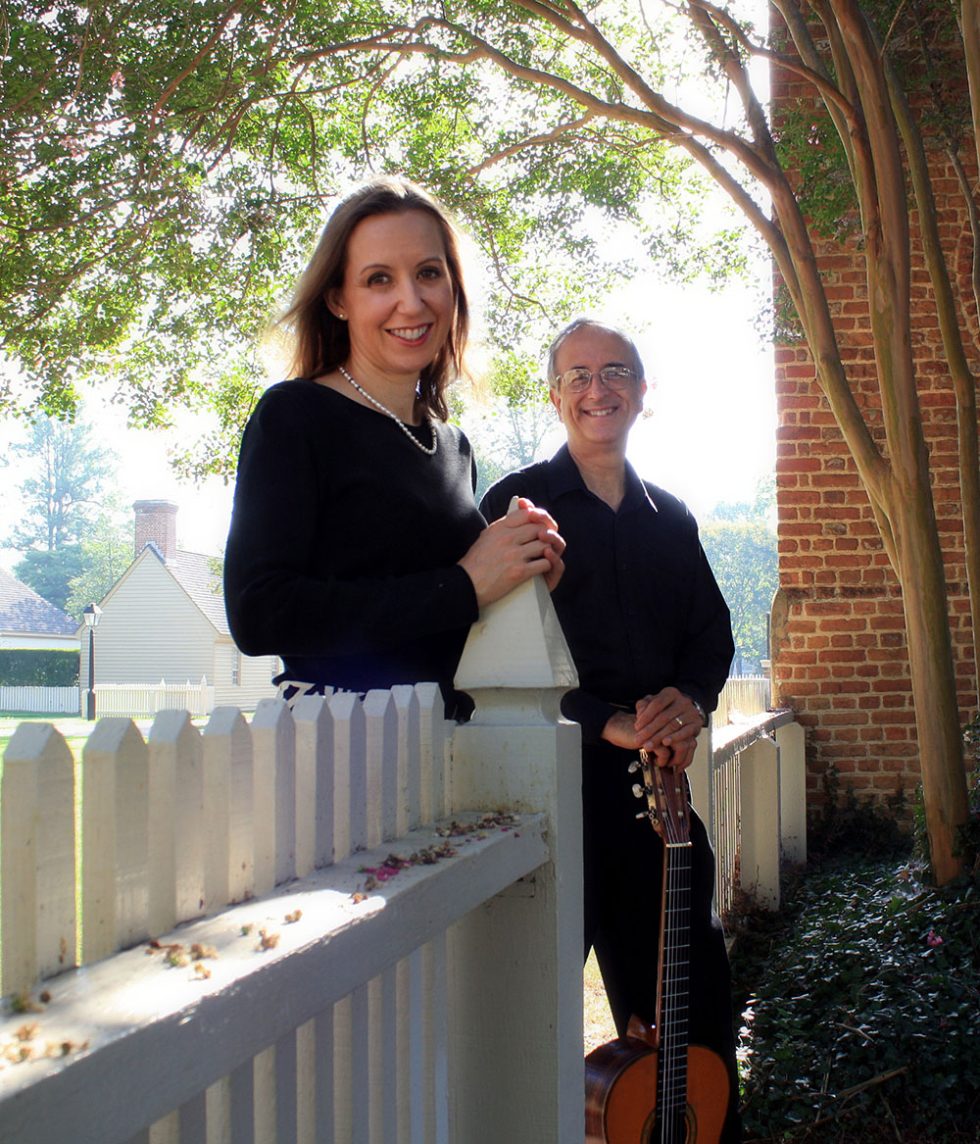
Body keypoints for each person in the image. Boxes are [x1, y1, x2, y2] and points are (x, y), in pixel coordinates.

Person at [480, 317, 741, 1140]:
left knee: (695, 1021)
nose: (600, 390)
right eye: (580, 375)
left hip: (655, 808)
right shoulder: (515, 506)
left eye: (617, 372)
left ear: (642, 393)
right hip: (549, 799)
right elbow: (491, 661)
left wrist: (689, 701)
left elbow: (711, 635)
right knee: (530, 1031)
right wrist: (608, 720)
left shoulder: (672, 518)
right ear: (555, 395)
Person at [224, 178, 563, 714]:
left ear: (453, 288)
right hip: (341, 746)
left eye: (429, 273)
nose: (411, 301)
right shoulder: (295, 416)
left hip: (453, 752)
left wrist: (519, 575)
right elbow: (259, 614)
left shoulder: (453, 447)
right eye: (379, 279)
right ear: (338, 299)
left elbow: (441, 620)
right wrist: (465, 584)